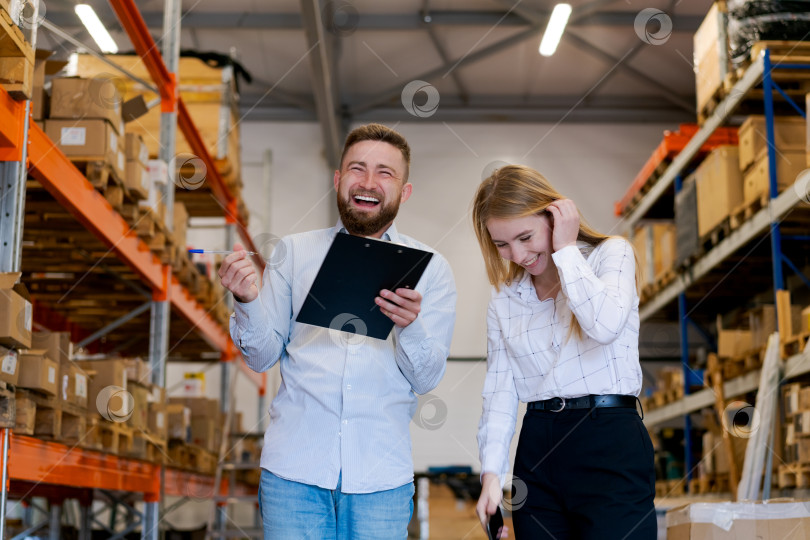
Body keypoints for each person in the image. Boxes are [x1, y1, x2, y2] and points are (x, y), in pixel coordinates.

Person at [217, 123, 457, 539]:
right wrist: (247, 302)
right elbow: (261, 355)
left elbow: (426, 378)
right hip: (293, 474)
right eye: (356, 169)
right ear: (338, 179)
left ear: (405, 191)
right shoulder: (294, 253)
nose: (368, 182)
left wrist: (411, 327)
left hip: (380, 480)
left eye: (385, 172)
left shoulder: (431, 268)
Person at [471, 165, 656, 539]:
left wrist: (567, 251)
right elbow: (500, 392)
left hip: (608, 439)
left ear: (554, 214)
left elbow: (603, 326)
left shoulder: (610, 256)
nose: (518, 255)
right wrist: (492, 475)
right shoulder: (504, 299)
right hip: (537, 448)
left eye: (525, 236)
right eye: (502, 244)